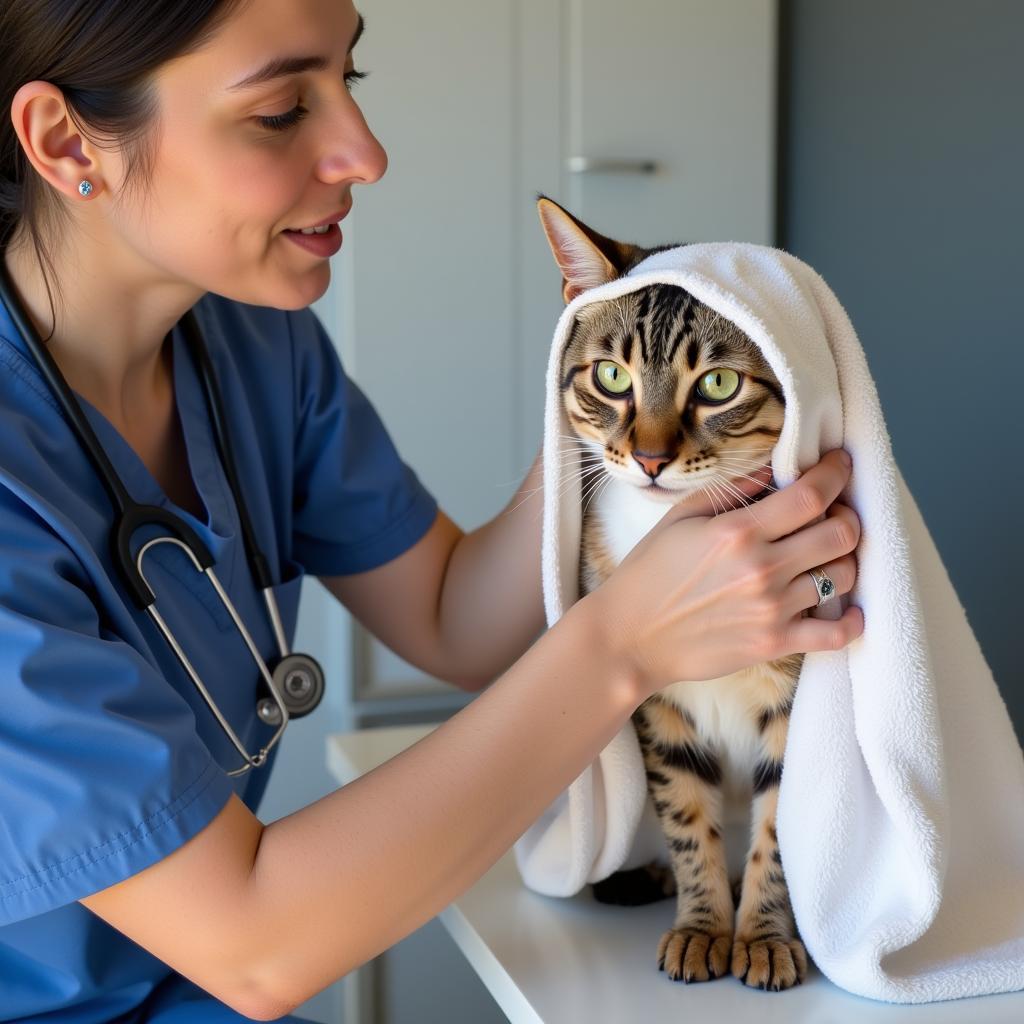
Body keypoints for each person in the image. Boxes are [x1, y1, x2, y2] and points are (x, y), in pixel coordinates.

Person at [0, 1, 864, 1021]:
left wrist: (618, 408)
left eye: (348, 83)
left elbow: (455, 618)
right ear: (65, 141)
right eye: (282, 109)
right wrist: (622, 646)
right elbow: (255, 944)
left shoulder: (247, 344)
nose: (363, 154)